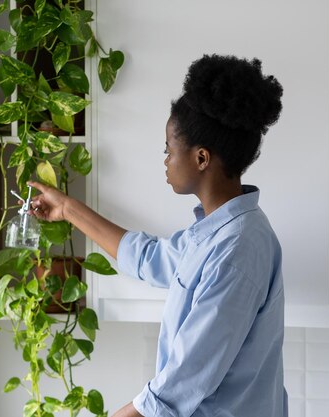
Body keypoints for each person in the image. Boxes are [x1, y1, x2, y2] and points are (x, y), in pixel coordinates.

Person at [29, 54, 287, 417]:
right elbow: (148, 258)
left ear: (201, 158)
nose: (165, 159)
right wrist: (66, 209)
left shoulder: (238, 248)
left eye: (169, 148)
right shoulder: (215, 234)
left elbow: (185, 377)